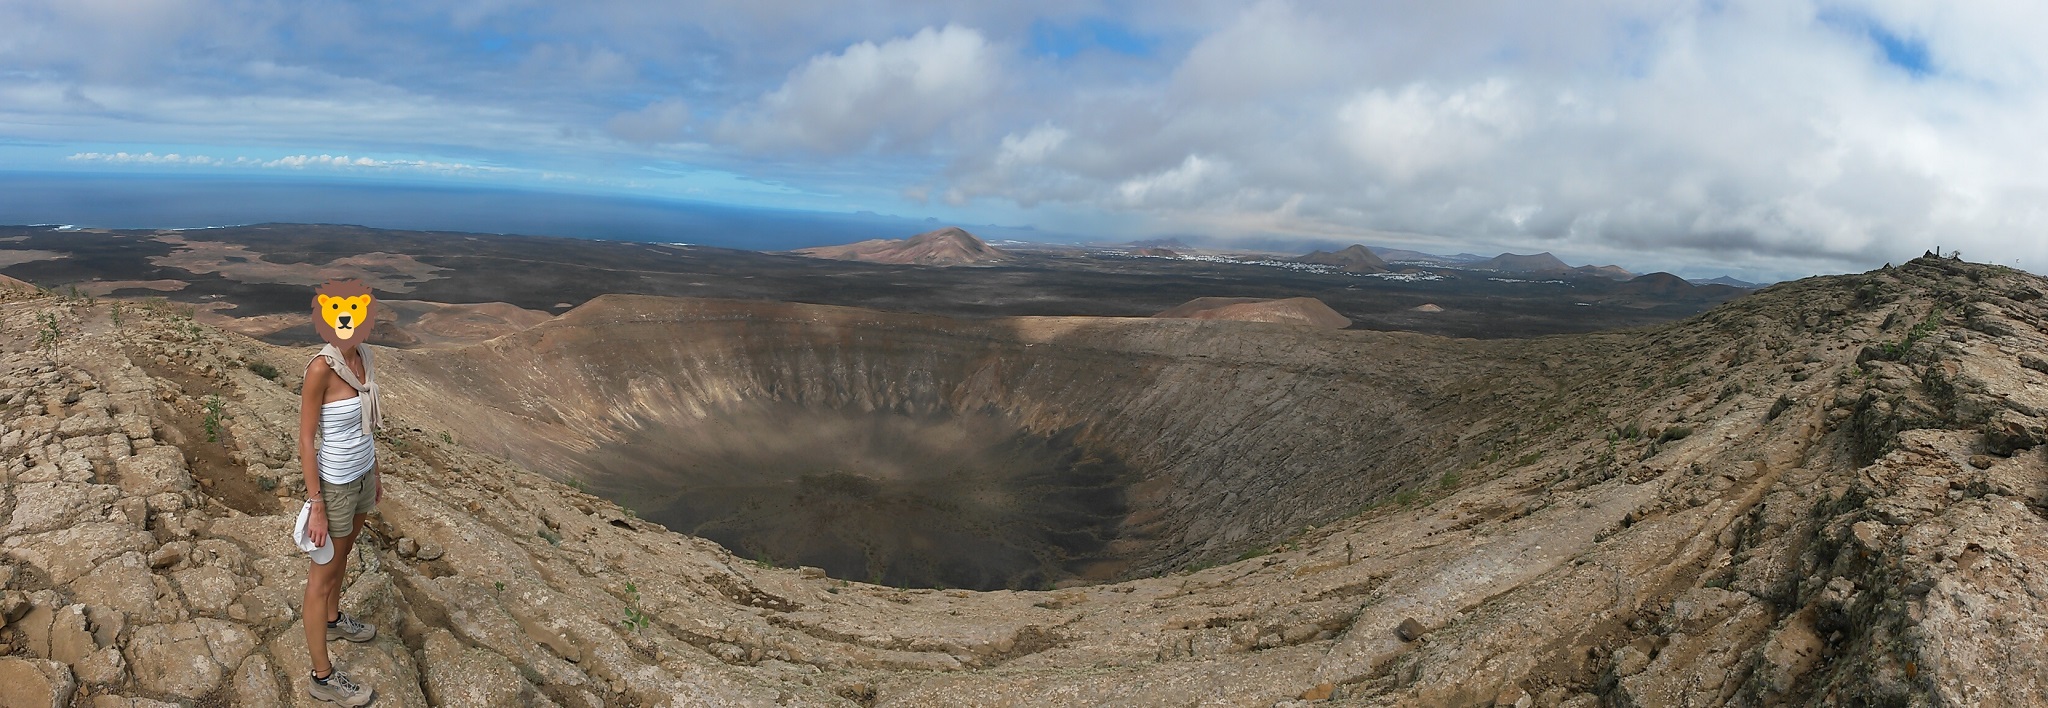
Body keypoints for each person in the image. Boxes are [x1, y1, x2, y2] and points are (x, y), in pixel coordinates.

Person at [299, 279, 383, 706]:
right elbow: (306, 439)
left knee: (344, 556)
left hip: (363, 475)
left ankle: (333, 619)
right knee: (321, 577)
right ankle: (322, 676)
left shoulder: (364, 357)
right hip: (333, 485)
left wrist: (375, 472)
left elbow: (366, 424)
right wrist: (316, 504)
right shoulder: (321, 369)